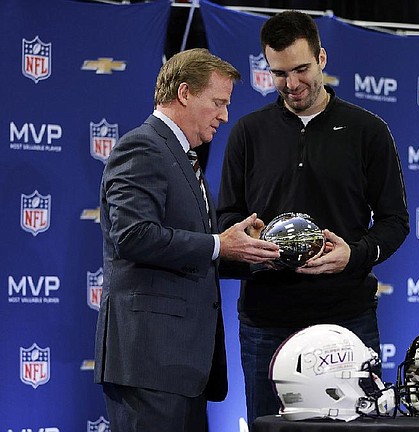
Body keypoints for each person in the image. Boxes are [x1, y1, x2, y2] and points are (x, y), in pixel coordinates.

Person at [216, 11, 410, 429]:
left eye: (302, 69)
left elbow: (395, 221)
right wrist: (252, 248)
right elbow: (227, 216)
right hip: (266, 319)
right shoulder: (247, 133)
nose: (292, 84)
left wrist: (354, 255)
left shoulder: (368, 130)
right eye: (279, 73)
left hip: (347, 316)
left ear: (322, 57)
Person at [94, 48, 280, 432]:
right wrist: (218, 244)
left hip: (183, 366)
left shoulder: (183, 157)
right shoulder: (142, 147)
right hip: (150, 363)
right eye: (218, 102)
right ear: (184, 93)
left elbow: (191, 250)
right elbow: (132, 236)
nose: (225, 116)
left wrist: (253, 254)